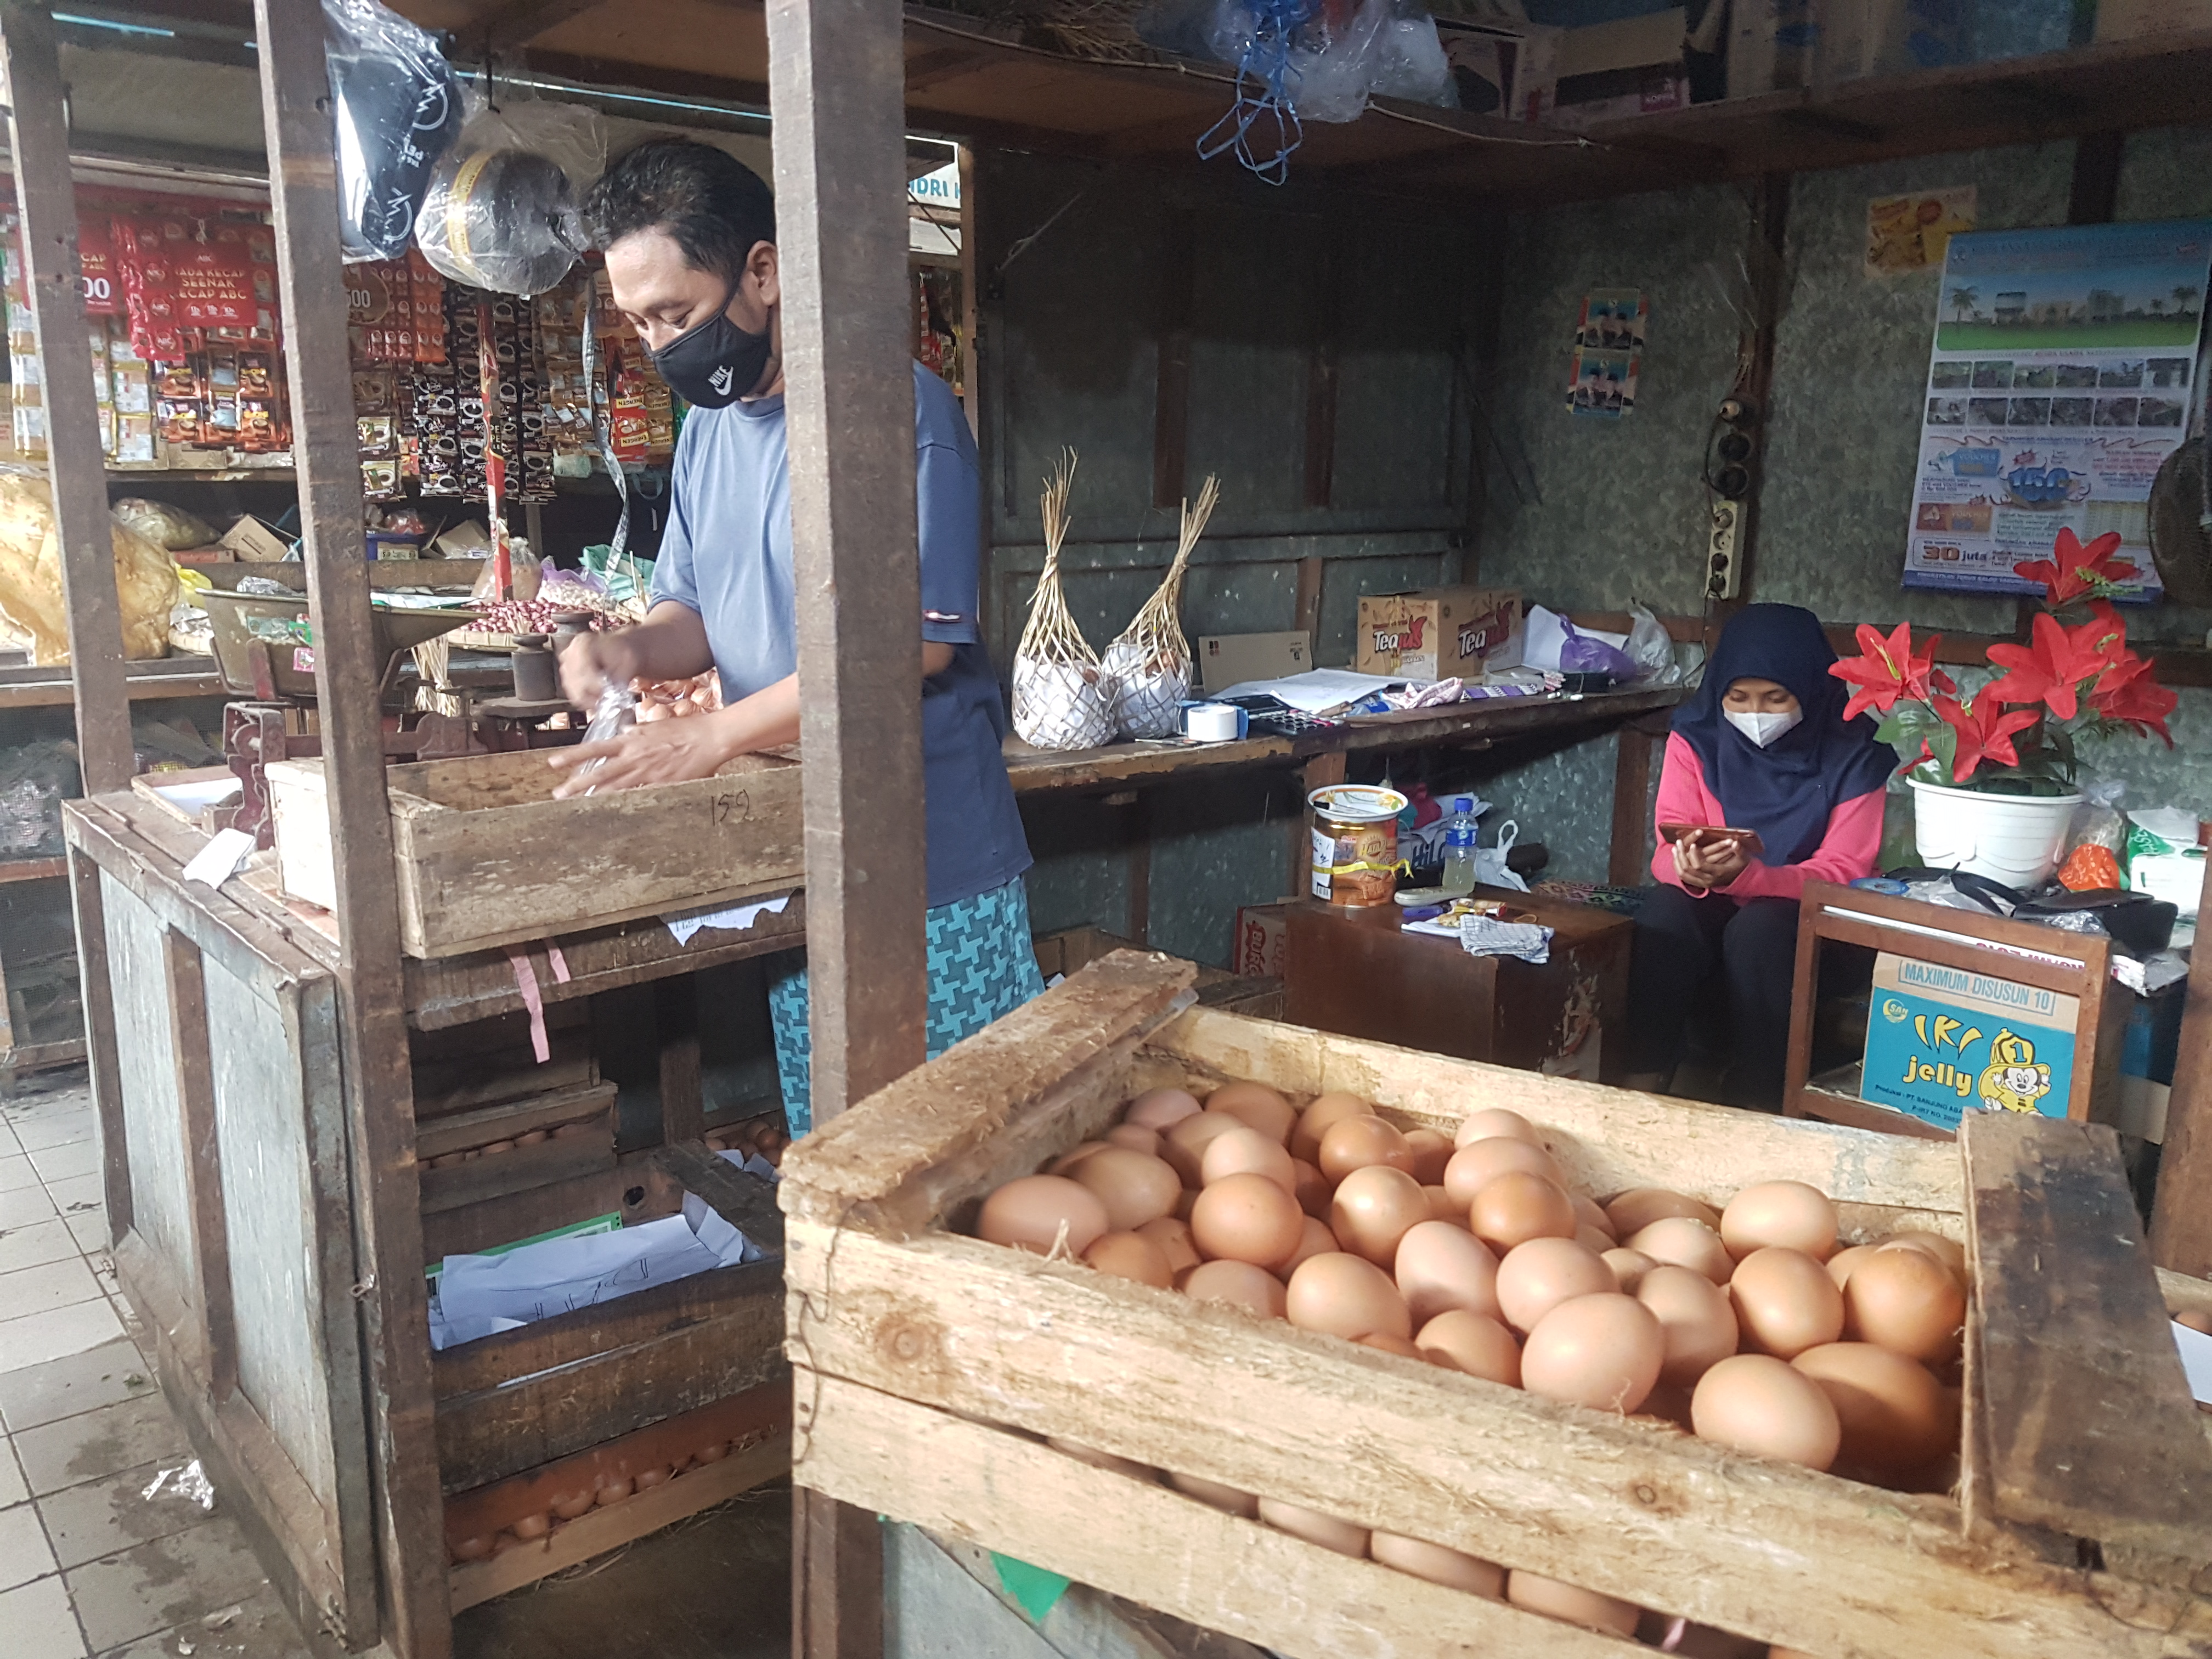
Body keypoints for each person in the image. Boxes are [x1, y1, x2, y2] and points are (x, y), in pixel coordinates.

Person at [557, 138, 1041, 1136]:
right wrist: (629, 652)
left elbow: (912, 648)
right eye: (640, 322)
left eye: (675, 314)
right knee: (842, 1148)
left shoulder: (898, 413)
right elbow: (689, 610)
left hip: (924, 857)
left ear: (762, 272)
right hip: (796, 852)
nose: (658, 346)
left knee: (963, 1152)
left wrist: (714, 735)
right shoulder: (708, 431)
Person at [1621, 603, 1893, 1109]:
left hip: (1816, 928)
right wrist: (1689, 869)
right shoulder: (1697, 737)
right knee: (1664, 914)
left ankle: (1760, 1099)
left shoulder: (1855, 753)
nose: (1756, 714)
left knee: (1762, 928)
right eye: (1739, 697)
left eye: (1775, 698)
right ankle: (1641, 1080)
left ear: (1809, 689)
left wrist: (1752, 878)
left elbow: (1845, 873)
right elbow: (1667, 848)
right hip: (1722, 911)